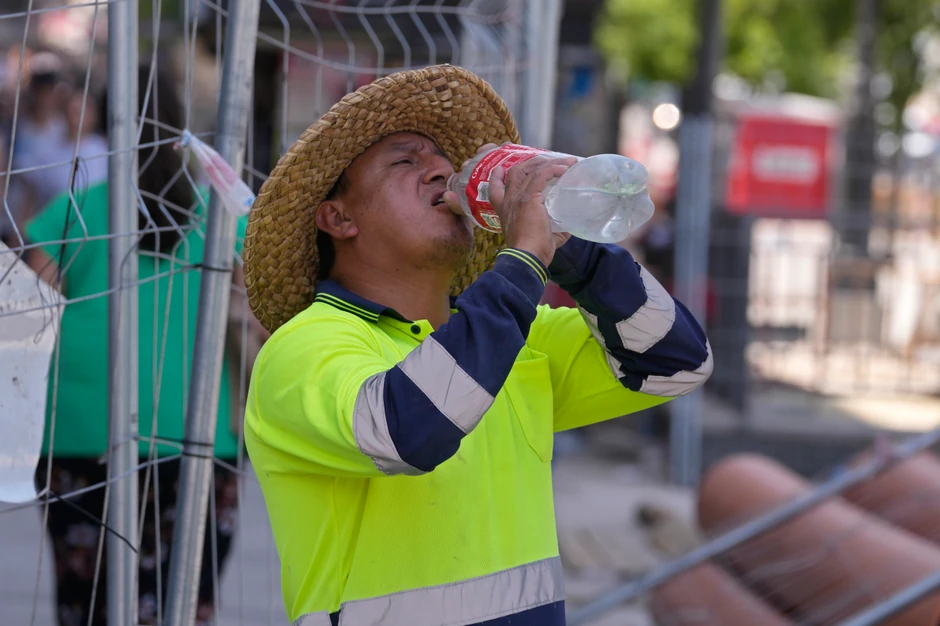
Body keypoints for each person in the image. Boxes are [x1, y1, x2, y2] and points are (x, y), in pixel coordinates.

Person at [242, 65, 712, 626]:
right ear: (338, 218)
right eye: (404, 162)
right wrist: (524, 258)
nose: (441, 169)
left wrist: (572, 249)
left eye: (443, 159)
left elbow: (678, 363)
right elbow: (407, 431)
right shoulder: (304, 347)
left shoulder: (513, 331)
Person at [24, 66, 247, 626]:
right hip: (194, 426)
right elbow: (262, 315)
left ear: (104, 124)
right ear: (181, 126)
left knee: (86, 604)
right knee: (182, 602)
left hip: (81, 426)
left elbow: (28, 316)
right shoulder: (222, 216)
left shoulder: (76, 209)